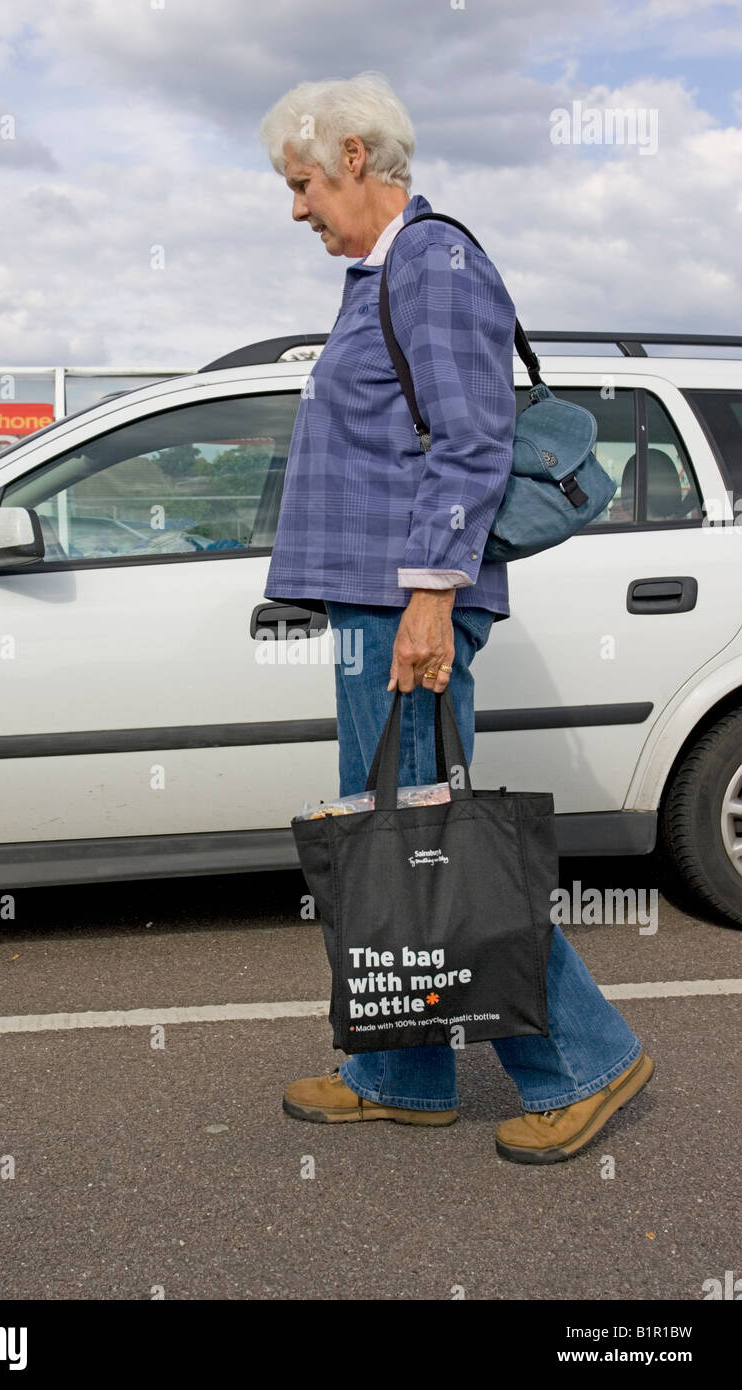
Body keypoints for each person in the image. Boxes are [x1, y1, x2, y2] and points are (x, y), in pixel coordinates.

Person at [259, 71, 654, 1163]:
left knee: (432, 839)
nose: (296, 210)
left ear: (351, 157)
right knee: (386, 836)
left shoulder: (434, 265)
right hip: (373, 600)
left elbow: (473, 440)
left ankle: (587, 1061)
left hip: (404, 602)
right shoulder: (380, 272)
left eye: (299, 185)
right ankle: (400, 1070)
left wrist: (431, 596)